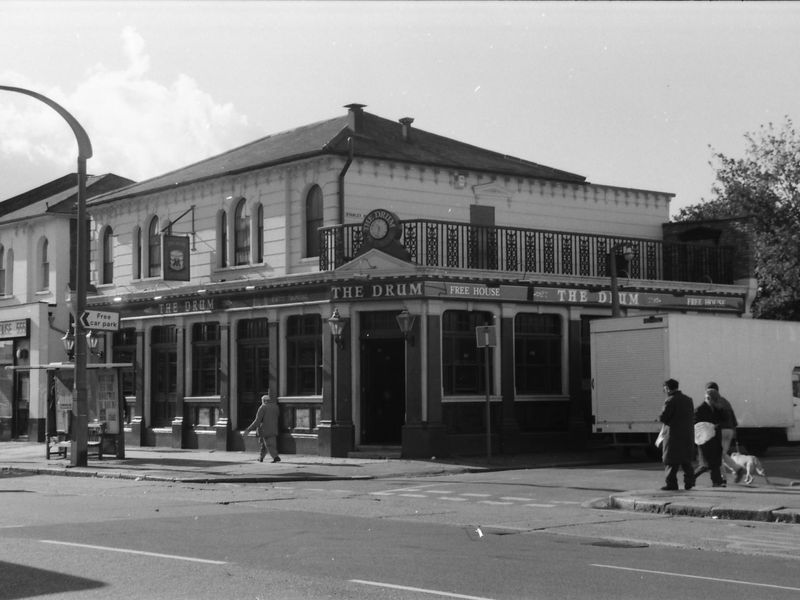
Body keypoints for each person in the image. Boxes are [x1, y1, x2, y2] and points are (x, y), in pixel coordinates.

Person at [658, 378, 695, 491]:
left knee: (671, 461)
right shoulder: (688, 400)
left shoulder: (670, 400)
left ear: (667, 388)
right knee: (686, 461)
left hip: (673, 435)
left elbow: (663, 417)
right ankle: (689, 482)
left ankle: (671, 484)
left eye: (664, 388)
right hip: (687, 434)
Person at [706, 382, 746, 484]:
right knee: (721, 454)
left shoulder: (713, 401)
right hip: (729, 430)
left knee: (718, 454)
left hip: (721, 430)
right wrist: (734, 431)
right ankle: (733, 471)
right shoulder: (726, 401)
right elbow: (733, 418)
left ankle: (726, 476)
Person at [694, 389, 724, 487]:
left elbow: (724, 419)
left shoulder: (715, 409)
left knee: (715, 462)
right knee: (706, 464)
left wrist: (720, 409)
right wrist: (709, 426)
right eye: (713, 400)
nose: (715, 402)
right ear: (708, 398)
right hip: (704, 440)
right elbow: (696, 425)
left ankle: (717, 482)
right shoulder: (700, 409)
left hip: (714, 438)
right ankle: (690, 477)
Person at [241, 394, 281, 463]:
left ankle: (276, 457)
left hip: (264, 429)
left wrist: (248, 429)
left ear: (264, 401)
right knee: (264, 444)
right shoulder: (275, 407)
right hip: (274, 428)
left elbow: (257, 421)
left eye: (262, 401)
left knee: (269, 444)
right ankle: (261, 457)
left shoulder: (263, 407)